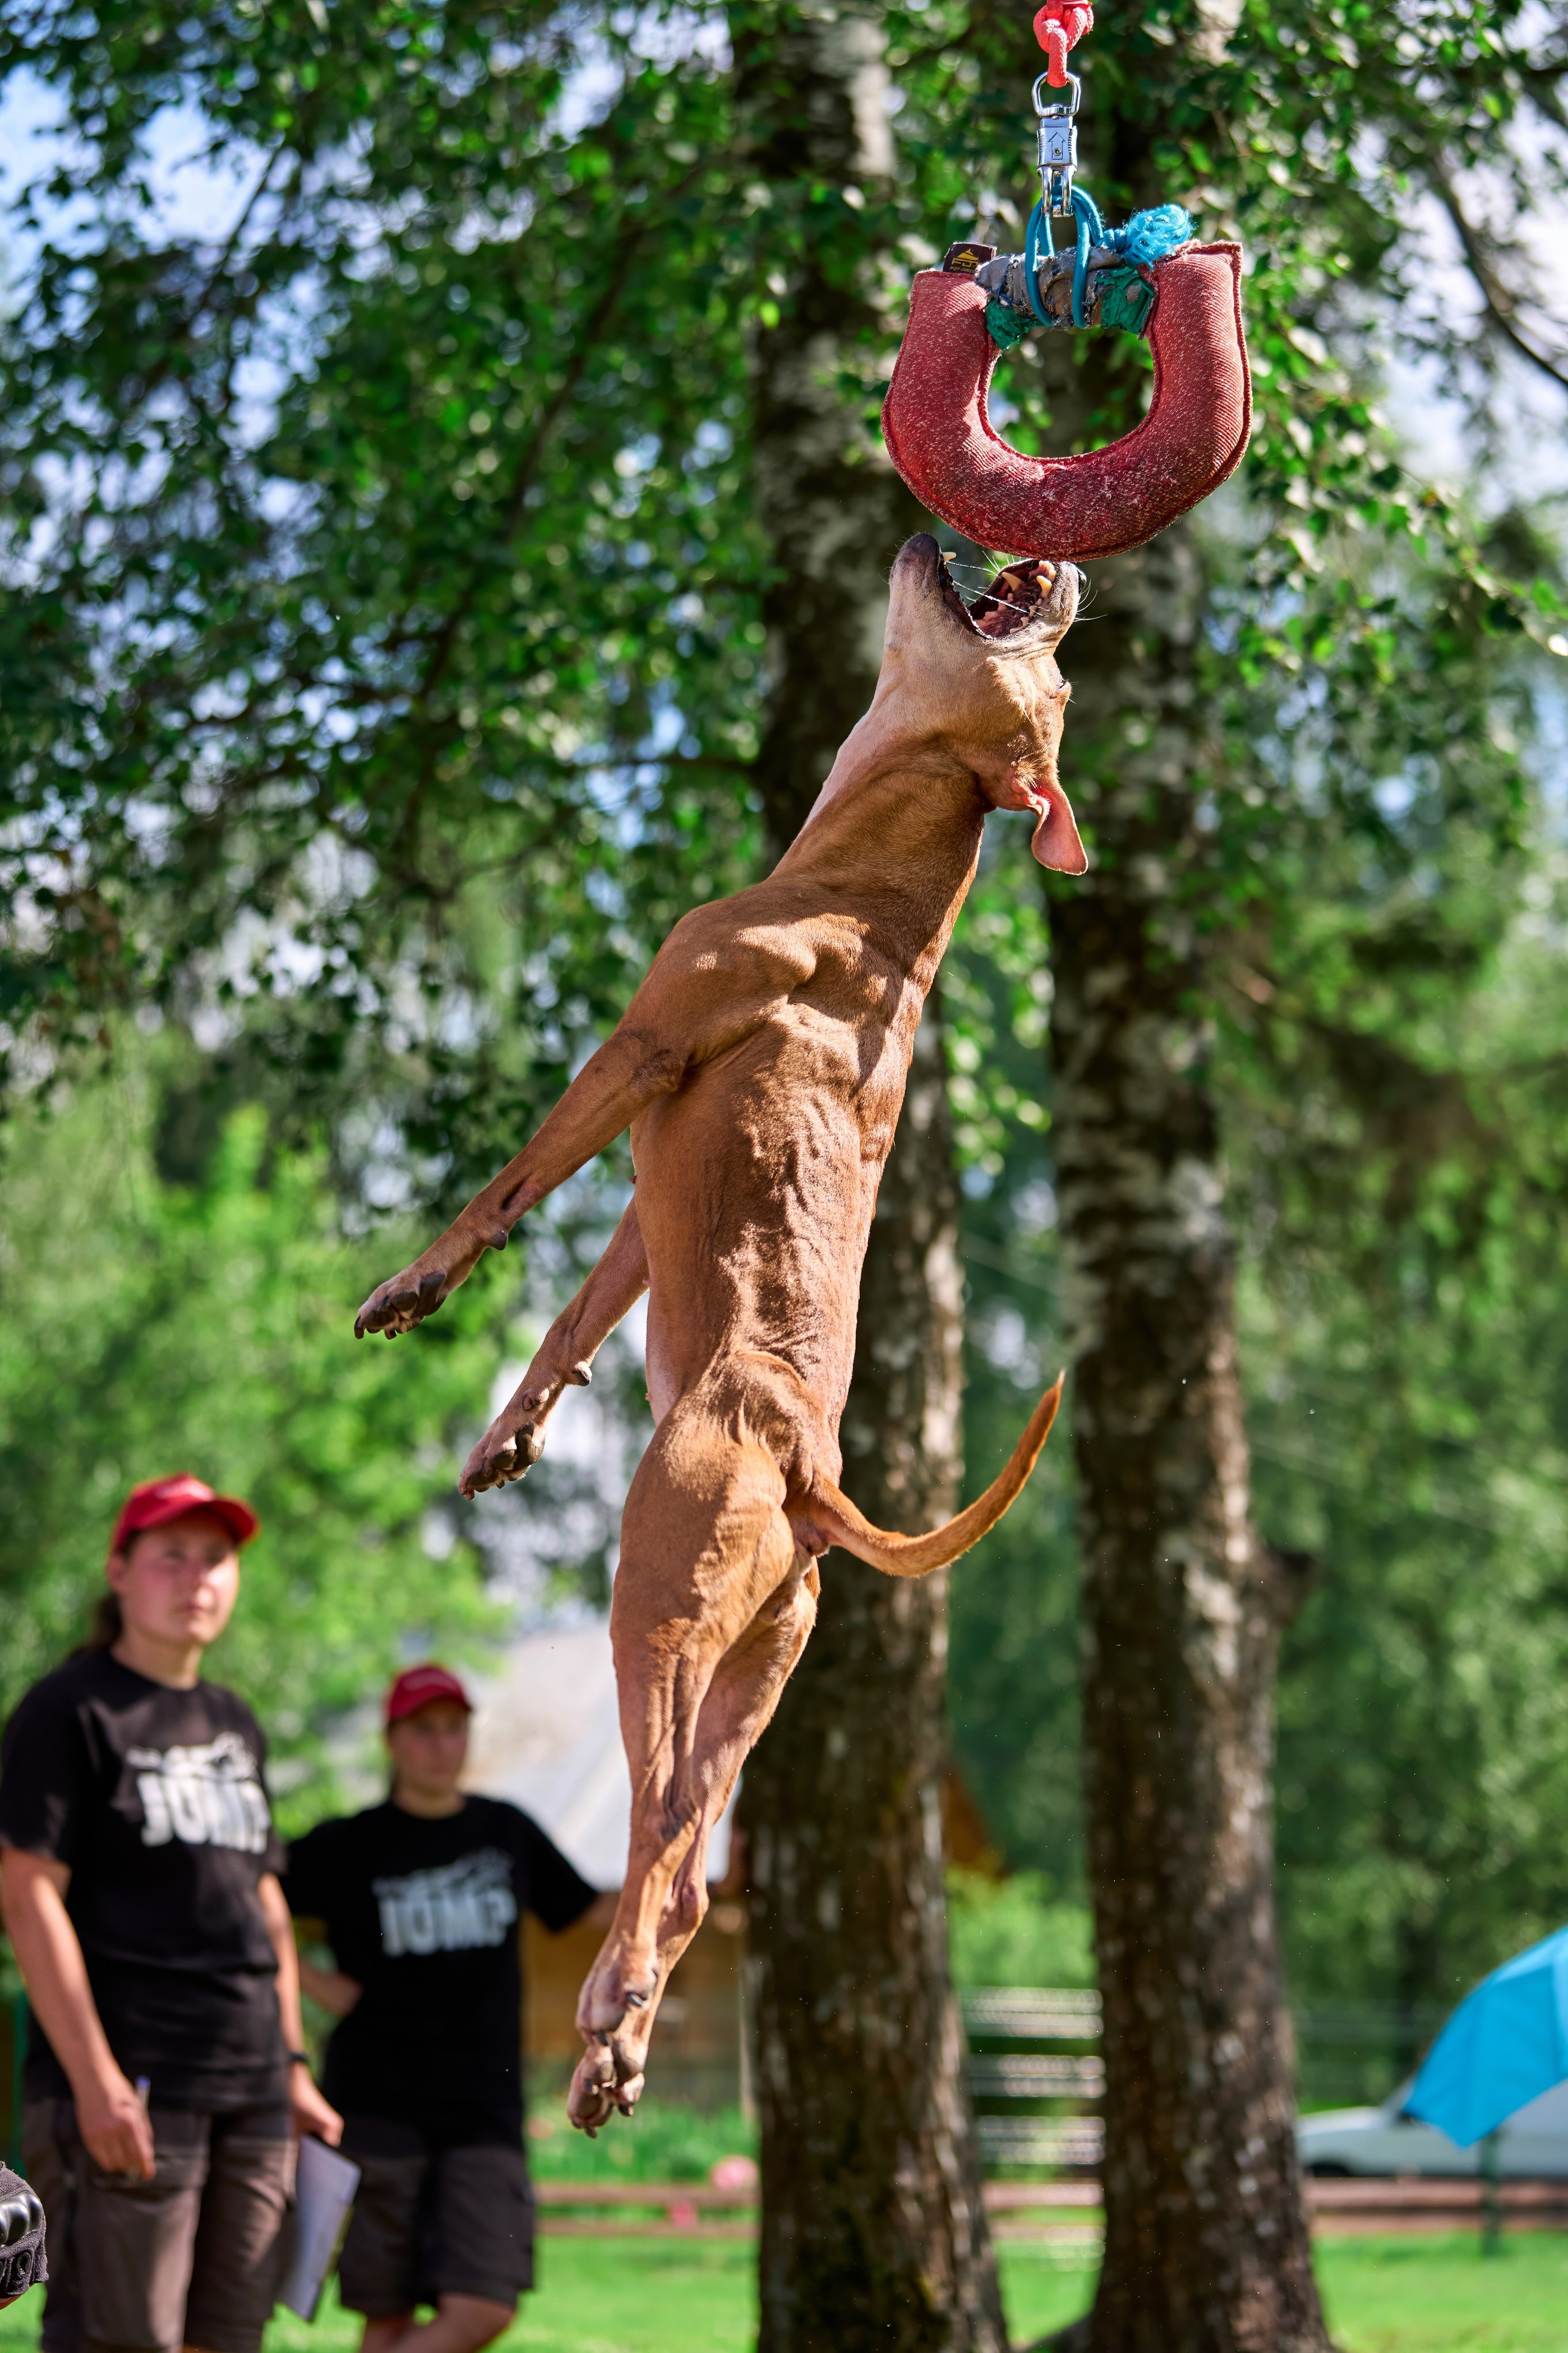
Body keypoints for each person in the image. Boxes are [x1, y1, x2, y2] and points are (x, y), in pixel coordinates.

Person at [0, 1473, 342, 2353]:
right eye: (172, 1556)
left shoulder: (234, 1719)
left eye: (217, 1559)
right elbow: (27, 1890)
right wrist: (94, 2079)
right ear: (119, 1573)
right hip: (137, 2087)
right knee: (122, 2340)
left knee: (229, 2339)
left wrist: (294, 2063)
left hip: (254, 2088)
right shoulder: (66, 1710)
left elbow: (264, 1896)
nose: (198, 1577)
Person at [285, 1664, 612, 2353]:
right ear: (393, 1741)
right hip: (376, 2106)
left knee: (486, 2304)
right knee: (388, 2315)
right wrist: (313, 1982)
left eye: (454, 1729)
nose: (442, 1745)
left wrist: (693, 1884)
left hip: (482, 2113)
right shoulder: (351, 1842)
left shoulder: (505, 1832)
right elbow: (245, 1897)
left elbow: (590, 1910)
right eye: (424, 1730)